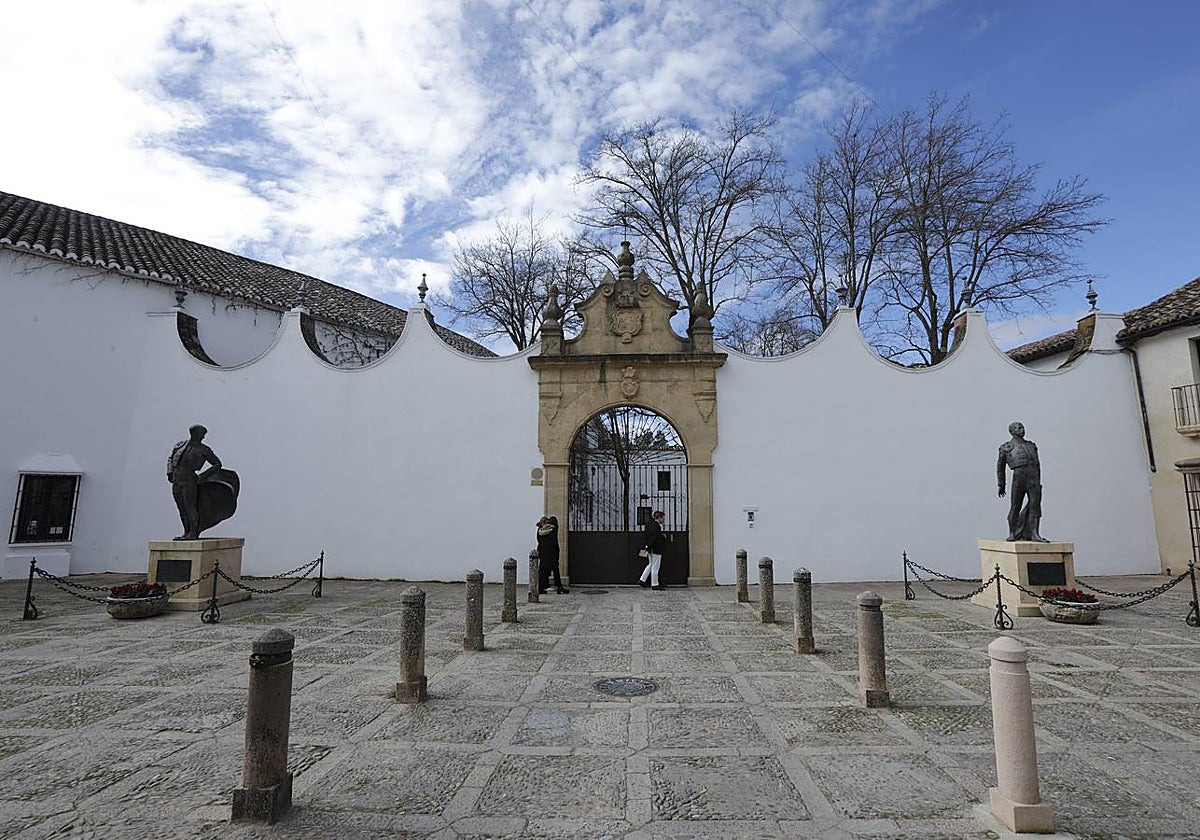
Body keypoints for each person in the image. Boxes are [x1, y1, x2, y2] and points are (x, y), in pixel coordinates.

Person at [167, 424, 222, 540]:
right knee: (181, 506)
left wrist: (203, 476)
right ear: (194, 434)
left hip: (190, 478)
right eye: (202, 434)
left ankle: (193, 532)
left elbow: (217, 464)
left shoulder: (204, 450)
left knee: (190, 506)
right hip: (177, 478)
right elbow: (171, 458)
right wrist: (170, 472)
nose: (203, 437)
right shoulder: (180, 445)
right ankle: (186, 532)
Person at [997, 421, 1048, 542]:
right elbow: (1000, 467)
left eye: (1022, 427)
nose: (1022, 429)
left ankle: (1035, 533)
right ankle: (1012, 533)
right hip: (1018, 477)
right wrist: (1001, 484)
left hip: (1033, 477)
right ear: (1012, 431)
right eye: (1018, 428)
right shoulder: (1006, 447)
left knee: (1035, 505)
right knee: (1015, 505)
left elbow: (1037, 464)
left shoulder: (1031, 445)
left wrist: (1038, 481)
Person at [536, 515, 568, 594]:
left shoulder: (539, 531)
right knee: (555, 570)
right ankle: (559, 587)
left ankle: (542, 587)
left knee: (543, 571)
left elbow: (539, 542)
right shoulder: (553, 530)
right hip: (552, 553)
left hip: (543, 553)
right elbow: (554, 542)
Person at [639, 510, 667, 590]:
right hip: (656, 548)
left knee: (650, 564)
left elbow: (648, 536)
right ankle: (655, 584)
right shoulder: (657, 526)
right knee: (655, 567)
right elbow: (655, 538)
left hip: (650, 548)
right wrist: (662, 537)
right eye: (663, 518)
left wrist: (647, 547)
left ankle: (642, 579)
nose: (663, 520)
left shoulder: (649, 525)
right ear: (659, 518)